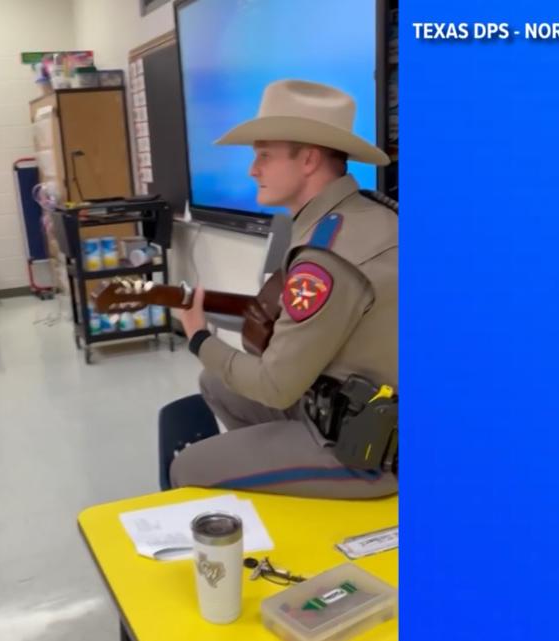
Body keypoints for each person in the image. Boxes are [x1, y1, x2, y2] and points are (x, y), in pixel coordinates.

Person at [162, 79, 398, 499]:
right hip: (343, 402)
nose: (253, 169)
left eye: (264, 155)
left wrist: (198, 337)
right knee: (217, 384)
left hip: (367, 450)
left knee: (187, 467)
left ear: (308, 159)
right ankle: (284, 484)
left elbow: (275, 386)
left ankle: (298, 492)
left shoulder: (328, 258)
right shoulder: (358, 214)